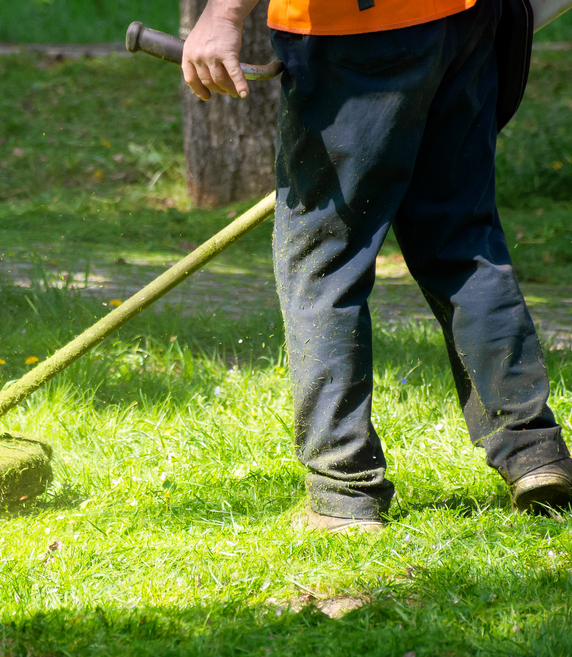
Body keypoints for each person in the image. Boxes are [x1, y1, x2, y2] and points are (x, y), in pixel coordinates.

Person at [182, 0, 572, 531]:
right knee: (461, 240)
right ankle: (534, 453)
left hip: (355, 29)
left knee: (322, 260)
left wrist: (223, 14)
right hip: (461, 20)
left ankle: (344, 491)